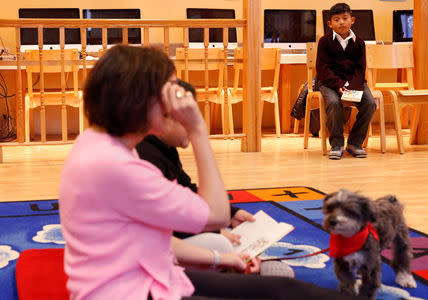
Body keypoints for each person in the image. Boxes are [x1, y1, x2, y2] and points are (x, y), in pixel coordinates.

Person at [59, 45, 366, 300]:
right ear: (140, 100)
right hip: (137, 291)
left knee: (282, 288)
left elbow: (146, 240)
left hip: (150, 277)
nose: (175, 101)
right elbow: (215, 214)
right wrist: (196, 129)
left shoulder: (96, 145)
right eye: (169, 92)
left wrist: (221, 259)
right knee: (280, 290)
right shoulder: (118, 167)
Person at [136, 80, 294, 277]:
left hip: (165, 240)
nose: (195, 123)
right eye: (190, 117)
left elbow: (188, 191)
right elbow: (163, 225)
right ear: (166, 118)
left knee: (220, 241)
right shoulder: (145, 156)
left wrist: (231, 214)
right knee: (219, 243)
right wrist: (214, 231)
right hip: (151, 253)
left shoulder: (164, 149)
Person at [316, 3, 377, 160]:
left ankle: (354, 143)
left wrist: (351, 88)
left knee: (370, 103)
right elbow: (323, 70)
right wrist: (339, 86)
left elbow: (360, 69)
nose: (341, 22)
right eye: (336, 19)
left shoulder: (360, 43)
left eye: (345, 18)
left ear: (352, 20)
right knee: (335, 103)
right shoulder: (324, 42)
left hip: (353, 82)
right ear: (330, 24)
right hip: (330, 83)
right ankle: (336, 145)